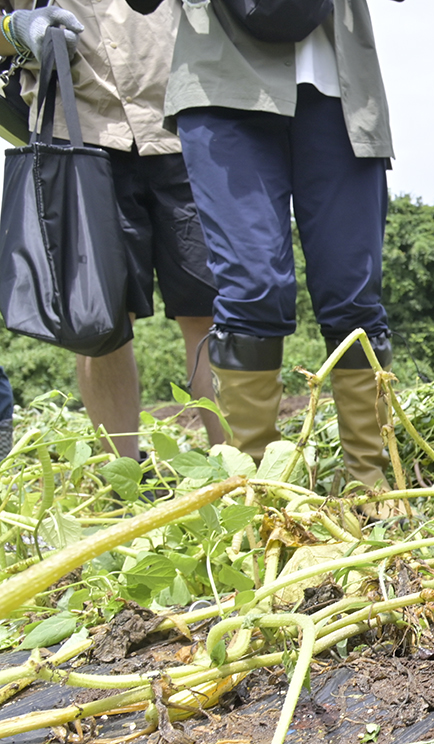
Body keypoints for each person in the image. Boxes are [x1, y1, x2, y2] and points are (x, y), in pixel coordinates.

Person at [124, 0, 396, 491]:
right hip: (220, 85)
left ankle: (369, 477)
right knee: (252, 287)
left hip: (341, 89)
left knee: (353, 292)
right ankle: (256, 487)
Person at [0, 0, 223, 458]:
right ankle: (126, 484)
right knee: (100, 318)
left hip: (185, 116)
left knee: (211, 309)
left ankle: (239, 475)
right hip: (77, 127)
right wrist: (16, 28)